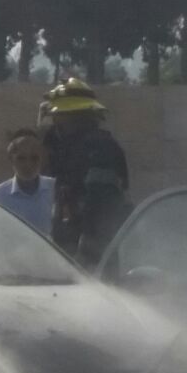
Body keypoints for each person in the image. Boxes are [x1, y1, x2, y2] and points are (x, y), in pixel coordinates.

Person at [41, 79, 130, 266]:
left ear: (76, 116)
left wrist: (87, 250)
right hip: (65, 247)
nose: (55, 121)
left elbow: (101, 204)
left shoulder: (99, 148)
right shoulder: (64, 148)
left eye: (60, 115)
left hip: (92, 253)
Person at [0, 129, 55, 234]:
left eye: (34, 158)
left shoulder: (54, 189)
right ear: (11, 159)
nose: (28, 165)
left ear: (42, 159)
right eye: (21, 158)